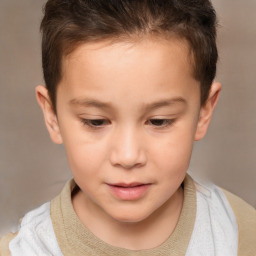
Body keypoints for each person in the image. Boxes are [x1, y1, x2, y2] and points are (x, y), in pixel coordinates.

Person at [0, 0, 255, 255]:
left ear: (203, 111)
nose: (128, 156)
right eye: (95, 121)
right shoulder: (25, 249)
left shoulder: (238, 235)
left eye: (159, 121)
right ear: (52, 115)